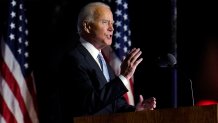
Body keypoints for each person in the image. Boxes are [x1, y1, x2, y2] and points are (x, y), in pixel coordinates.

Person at [58, 2, 156, 123]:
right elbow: (88, 104)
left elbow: (113, 104)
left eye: (112, 23)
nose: (112, 28)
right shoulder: (75, 59)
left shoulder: (101, 60)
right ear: (87, 26)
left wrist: (135, 110)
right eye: (105, 22)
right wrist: (123, 76)